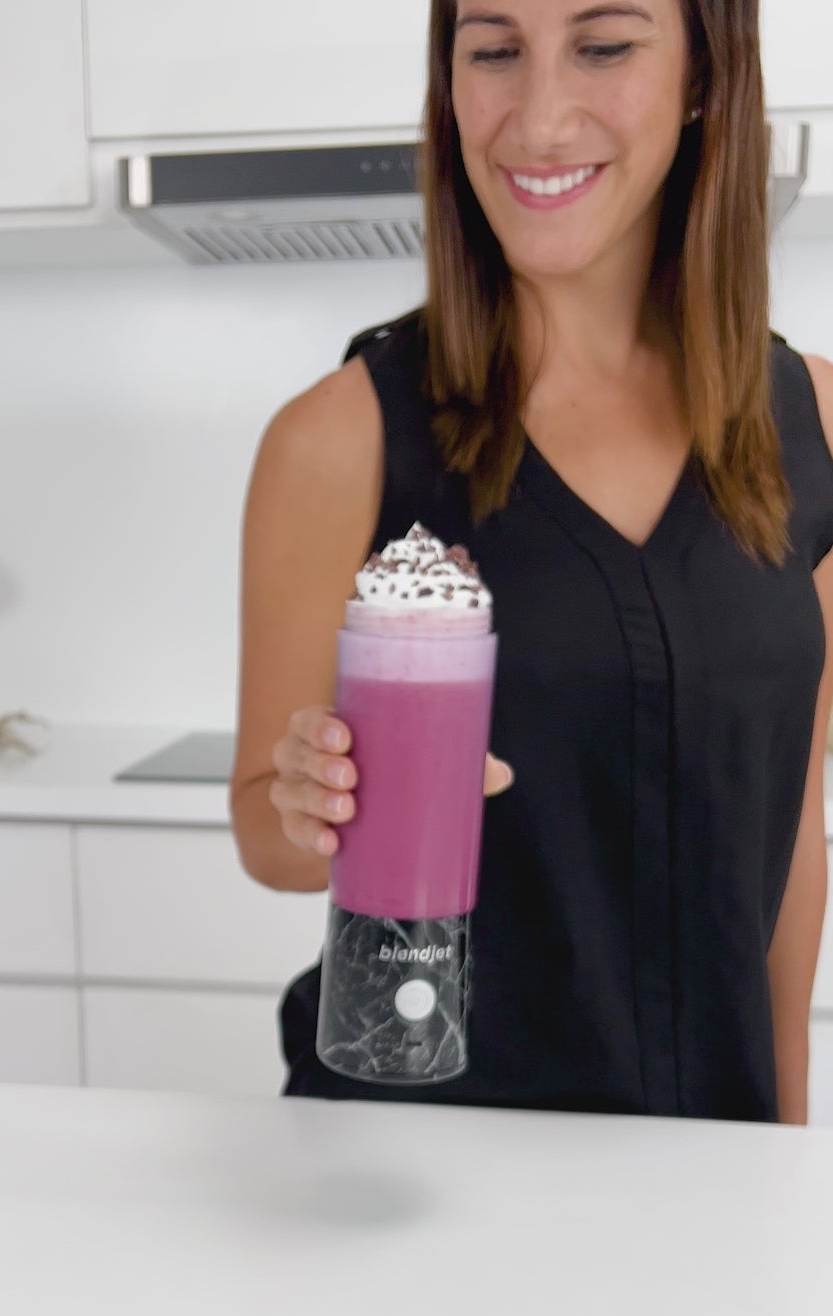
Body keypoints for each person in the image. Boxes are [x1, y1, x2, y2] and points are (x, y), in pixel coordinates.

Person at [230, 0, 833, 1124]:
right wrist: (319, 800)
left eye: (603, 47)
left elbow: (791, 824)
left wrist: (788, 1142)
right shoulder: (341, 435)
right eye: (495, 52)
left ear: (706, 76)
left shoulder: (812, 424)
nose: (540, 116)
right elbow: (269, 837)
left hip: (704, 1159)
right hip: (421, 1152)